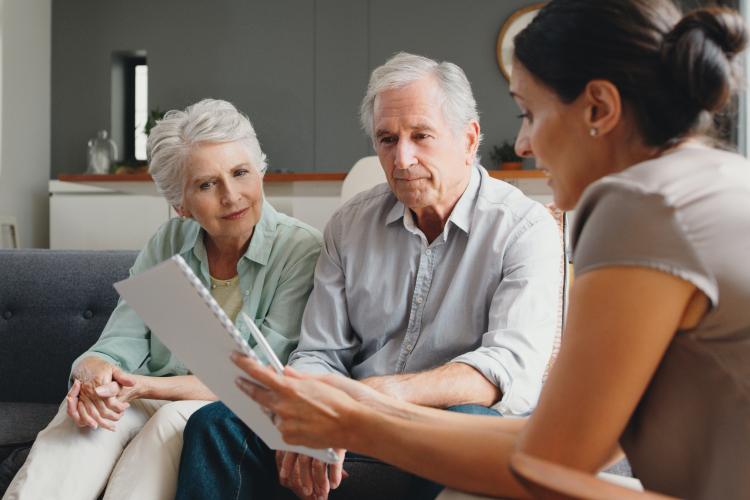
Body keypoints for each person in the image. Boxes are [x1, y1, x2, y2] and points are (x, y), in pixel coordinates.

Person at [224, 2, 750, 500]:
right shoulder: (713, 181)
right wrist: (358, 406)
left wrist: (357, 417)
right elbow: (571, 445)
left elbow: (548, 461)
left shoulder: (637, 206)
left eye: (528, 113)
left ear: (600, 107)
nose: (522, 145)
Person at [174, 53, 563, 500]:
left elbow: (504, 371)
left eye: (421, 136)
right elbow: (319, 352)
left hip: (443, 423)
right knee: (216, 423)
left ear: (468, 139)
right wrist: (316, 408)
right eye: (387, 139)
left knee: (474, 420)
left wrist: (372, 398)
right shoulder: (349, 225)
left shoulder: (524, 228)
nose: (402, 158)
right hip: (350, 421)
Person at [2, 99, 322, 500]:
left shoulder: (300, 248)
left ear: (259, 172)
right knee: (82, 421)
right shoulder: (168, 241)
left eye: (241, 173)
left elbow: (256, 379)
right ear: (180, 205)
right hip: (148, 392)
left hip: (224, 405)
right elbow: (120, 340)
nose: (231, 196)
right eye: (207, 184)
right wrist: (93, 377)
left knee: (173, 419)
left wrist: (142, 387)